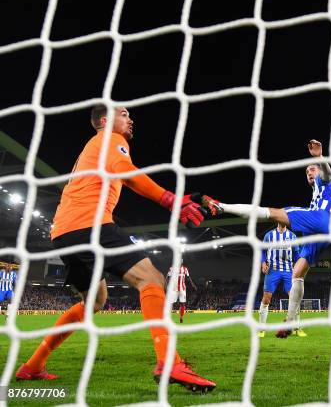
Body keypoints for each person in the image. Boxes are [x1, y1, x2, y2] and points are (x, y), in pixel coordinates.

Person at [16, 105, 216, 393]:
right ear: (105, 120)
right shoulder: (111, 138)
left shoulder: (95, 148)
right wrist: (170, 199)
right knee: (152, 279)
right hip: (90, 224)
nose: (130, 119)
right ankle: (169, 362)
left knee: (94, 303)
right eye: (124, 114)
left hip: (64, 232)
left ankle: (32, 365)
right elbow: (128, 172)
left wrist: (185, 197)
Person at [195, 140, 331, 338]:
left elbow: (327, 172)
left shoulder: (323, 182)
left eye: (312, 170)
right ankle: (290, 321)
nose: (310, 173)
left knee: (271, 212)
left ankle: (221, 206)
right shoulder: (324, 196)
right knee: (298, 273)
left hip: (319, 218)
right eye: (307, 172)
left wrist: (318, 157)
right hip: (323, 231)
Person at [258, 224, 306, 337]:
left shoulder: (292, 236)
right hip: (272, 270)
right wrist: (263, 262)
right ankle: (261, 329)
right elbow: (262, 250)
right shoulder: (269, 236)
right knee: (266, 299)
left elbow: (296, 255)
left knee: (295, 298)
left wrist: (301, 265)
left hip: (289, 271)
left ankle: (297, 328)